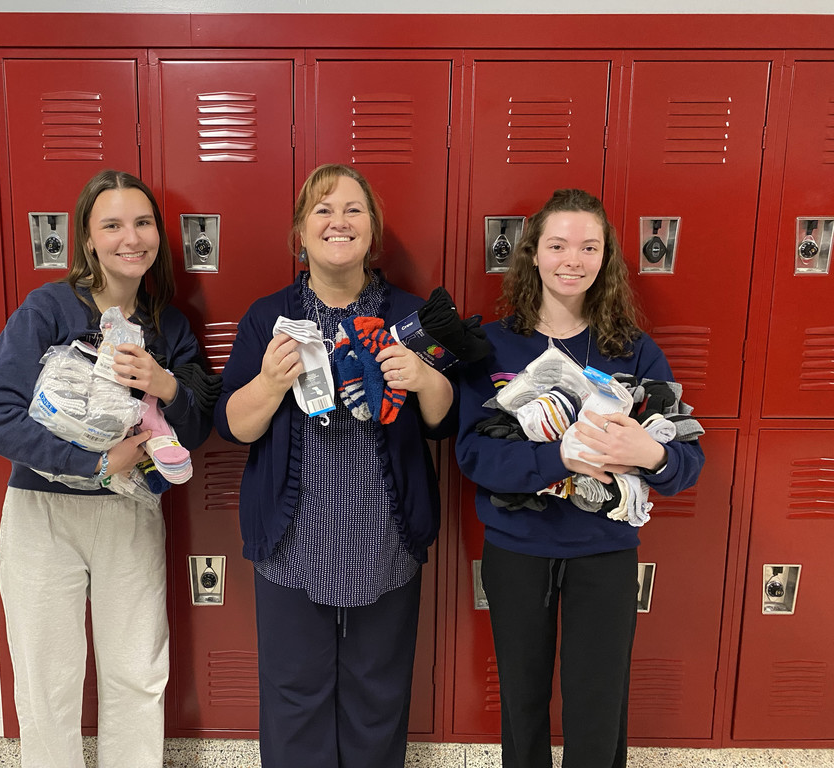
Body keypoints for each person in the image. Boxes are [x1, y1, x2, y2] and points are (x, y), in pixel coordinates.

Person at [214, 163, 457, 768]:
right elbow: (232, 425)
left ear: (373, 231)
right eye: (322, 210)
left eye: (353, 210)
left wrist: (426, 379)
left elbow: (445, 422)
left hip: (385, 541)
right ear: (300, 231)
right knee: (294, 699)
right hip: (294, 544)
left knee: (379, 698)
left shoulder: (410, 316)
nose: (338, 221)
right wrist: (270, 383)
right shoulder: (267, 318)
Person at [0, 169, 214, 768]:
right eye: (112, 225)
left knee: (137, 672)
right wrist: (96, 461)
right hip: (43, 515)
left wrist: (165, 383)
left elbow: (203, 423)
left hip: (128, 515)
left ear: (158, 234)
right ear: (86, 239)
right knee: (46, 681)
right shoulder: (49, 309)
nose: (130, 238)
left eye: (142, 223)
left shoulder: (169, 326)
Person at [455, 189, 705, 768]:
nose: (573, 259)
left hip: (604, 551)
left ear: (605, 259)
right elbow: (473, 454)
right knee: (522, 699)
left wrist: (652, 453)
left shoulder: (635, 353)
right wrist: (557, 460)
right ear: (534, 254)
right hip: (518, 550)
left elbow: (685, 464)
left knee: (599, 701)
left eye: (589, 247)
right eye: (559, 245)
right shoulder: (493, 346)